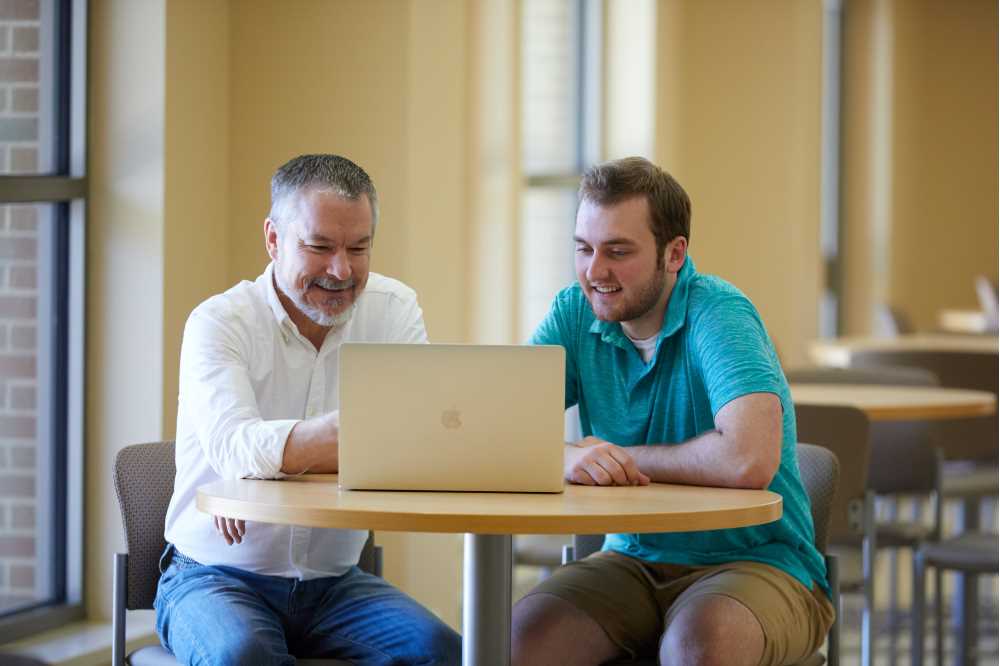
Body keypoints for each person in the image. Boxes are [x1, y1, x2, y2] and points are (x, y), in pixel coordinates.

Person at [511, 157, 834, 666]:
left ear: (674, 253)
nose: (595, 271)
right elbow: (499, 427)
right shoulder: (575, 312)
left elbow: (748, 460)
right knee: (517, 639)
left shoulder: (719, 313)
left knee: (699, 645)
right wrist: (565, 457)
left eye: (618, 251)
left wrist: (621, 458)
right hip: (632, 558)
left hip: (760, 563)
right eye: (584, 248)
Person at [157, 154, 462, 666]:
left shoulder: (393, 310)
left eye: (359, 248)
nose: (341, 270)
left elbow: (418, 443)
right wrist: (350, 440)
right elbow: (235, 447)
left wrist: (266, 467)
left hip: (335, 584)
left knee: (447, 653)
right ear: (273, 239)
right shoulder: (220, 322)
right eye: (320, 247)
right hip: (213, 574)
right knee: (246, 657)